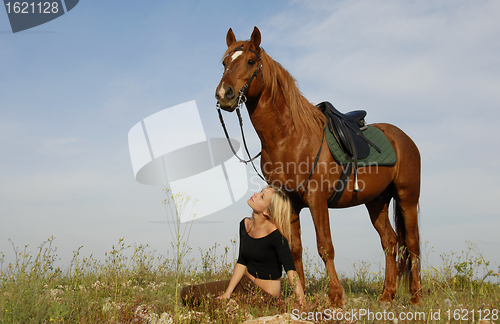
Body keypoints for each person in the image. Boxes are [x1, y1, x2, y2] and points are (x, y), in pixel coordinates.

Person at [180, 185, 305, 306]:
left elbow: (291, 270)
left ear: (267, 211)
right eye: (259, 192)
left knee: (212, 305)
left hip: (264, 295)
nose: (255, 195)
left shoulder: (277, 236)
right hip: (244, 283)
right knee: (188, 293)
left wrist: (301, 300)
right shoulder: (245, 225)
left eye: (261, 197)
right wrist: (228, 292)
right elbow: (242, 261)